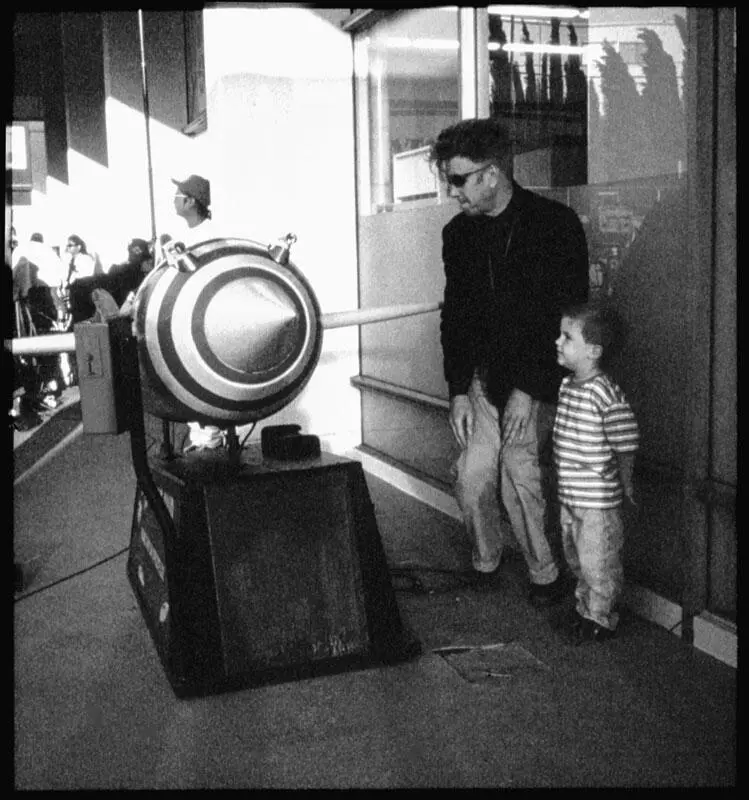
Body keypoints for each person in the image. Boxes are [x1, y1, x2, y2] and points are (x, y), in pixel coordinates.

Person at [428, 117, 589, 606]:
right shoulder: (458, 235)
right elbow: (456, 316)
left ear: (492, 174)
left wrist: (530, 388)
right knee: (471, 476)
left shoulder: (555, 225)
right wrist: (458, 389)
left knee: (520, 475)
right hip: (482, 380)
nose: (452, 191)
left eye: (459, 179)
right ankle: (487, 559)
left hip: (534, 379)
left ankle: (545, 575)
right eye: (449, 180)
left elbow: (567, 317)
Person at [553, 301, 639, 643]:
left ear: (593, 351)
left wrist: (626, 481)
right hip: (570, 496)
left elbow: (625, 442)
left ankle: (601, 616)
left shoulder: (604, 393)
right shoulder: (567, 387)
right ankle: (584, 608)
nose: (558, 342)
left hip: (597, 503)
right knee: (575, 558)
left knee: (598, 561)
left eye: (567, 337)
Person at [170, 173, 224, 452]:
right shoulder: (185, 235)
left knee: (205, 379)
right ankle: (200, 437)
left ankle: (211, 440)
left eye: (178, 196)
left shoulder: (210, 236)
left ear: (191, 201)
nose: (174, 201)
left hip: (204, 318)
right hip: (183, 316)